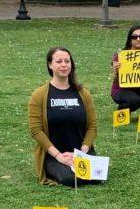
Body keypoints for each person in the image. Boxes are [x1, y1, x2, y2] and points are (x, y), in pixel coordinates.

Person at [28, 47, 100, 186]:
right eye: (59, 61)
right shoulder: (39, 95)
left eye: (67, 61)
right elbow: (36, 130)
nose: (64, 65)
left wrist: (81, 152)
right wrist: (59, 156)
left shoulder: (83, 94)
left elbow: (92, 126)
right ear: (50, 65)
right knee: (70, 179)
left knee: (96, 177)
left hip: (81, 153)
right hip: (54, 155)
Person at [110, 25, 140, 116]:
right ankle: (121, 111)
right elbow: (114, 63)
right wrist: (115, 67)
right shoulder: (122, 54)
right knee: (134, 101)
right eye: (134, 37)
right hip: (121, 89)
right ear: (130, 39)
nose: (138, 39)